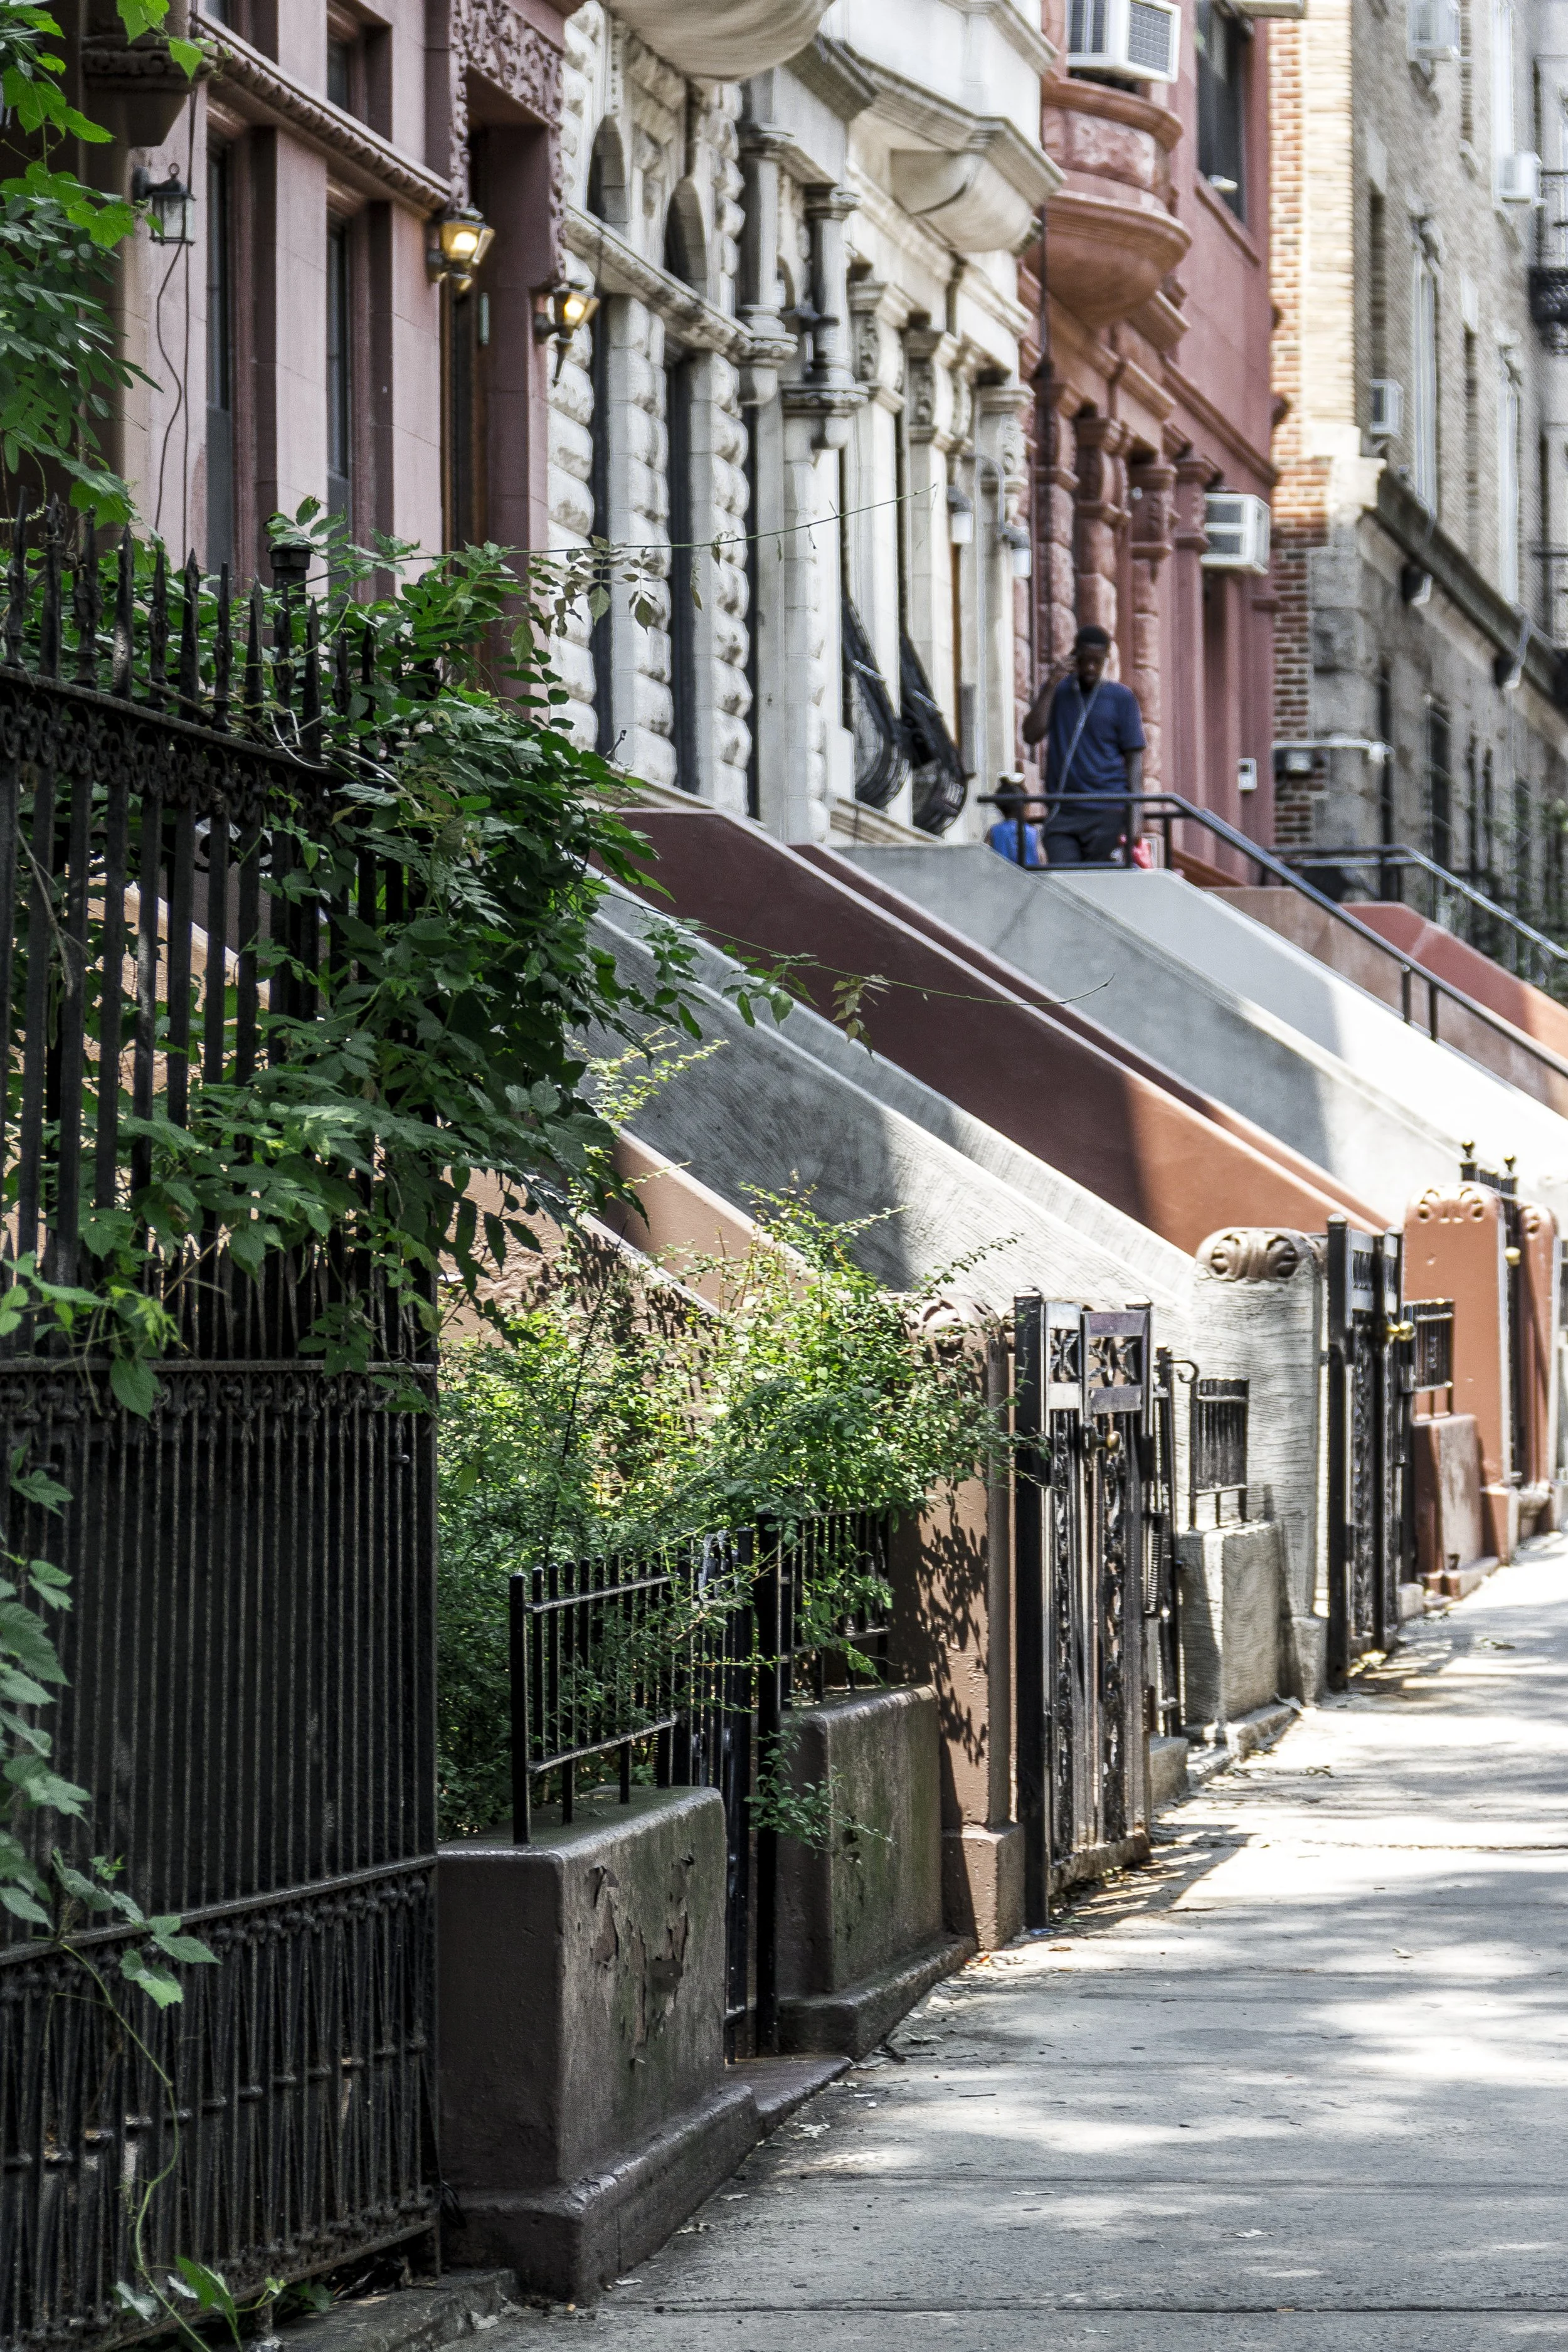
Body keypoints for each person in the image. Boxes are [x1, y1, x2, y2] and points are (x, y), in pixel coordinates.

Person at [1020, 624, 1145, 865]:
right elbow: (1030, 734)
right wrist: (1053, 683)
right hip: (1064, 812)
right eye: (1085, 660)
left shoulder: (1121, 698)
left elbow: (1135, 761)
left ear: (1106, 661)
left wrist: (1136, 817)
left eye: (1097, 662)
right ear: (1074, 656)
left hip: (1107, 811)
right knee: (1065, 882)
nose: (1090, 668)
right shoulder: (1059, 691)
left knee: (1100, 885)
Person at [985, 780, 1046, 867]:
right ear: (1024, 806)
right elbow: (1042, 861)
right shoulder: (1033, 832)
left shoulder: (994, 831)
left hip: (1001, 878)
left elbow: (984, 858)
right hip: (1029, 879)